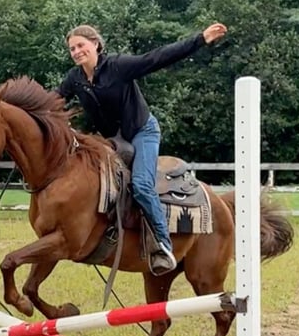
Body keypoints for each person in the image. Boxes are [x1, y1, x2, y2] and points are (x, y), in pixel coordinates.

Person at [54, 22, 227, 275]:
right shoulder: (75, 79)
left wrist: (200, 39)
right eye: (72, 49)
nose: (77, 51)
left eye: (81, 45)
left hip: (141, 132)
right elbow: (52, 99)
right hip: (113, 140)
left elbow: (158, 57)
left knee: (142, 185)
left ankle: (163, 245)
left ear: (96, 45)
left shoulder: (118, 66)